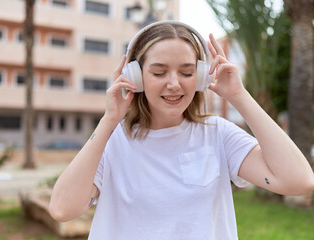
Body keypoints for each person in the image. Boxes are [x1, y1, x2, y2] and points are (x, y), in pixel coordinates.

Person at [49, 21, 314, 240]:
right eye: (159, 72)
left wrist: (238, 95)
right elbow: (62, 208)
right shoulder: (113, 140)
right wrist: (109, 120)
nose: (174, 84)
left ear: (200, 78)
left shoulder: (217, 134)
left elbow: (299, 181)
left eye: (187, 73)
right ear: (136, 76)